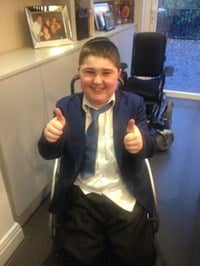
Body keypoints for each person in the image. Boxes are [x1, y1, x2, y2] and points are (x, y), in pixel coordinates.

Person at [38, 37, 157, 266]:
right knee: (76, 259)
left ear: (118, 74)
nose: (97, 81)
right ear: (78, 71)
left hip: (124, 193)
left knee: (138, 258)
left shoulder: (134, 104)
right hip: (82, 196)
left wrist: (141, 142)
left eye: (106, 73)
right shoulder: (65, 106)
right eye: (89, 72)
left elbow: (150, 146)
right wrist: (49, 137)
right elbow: (48, 153)